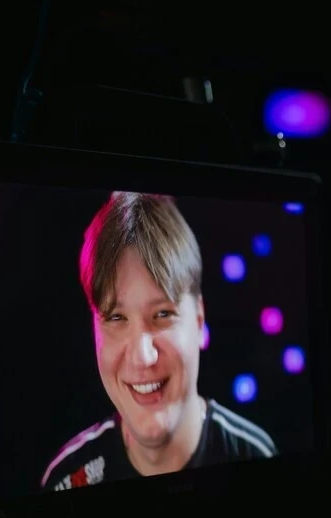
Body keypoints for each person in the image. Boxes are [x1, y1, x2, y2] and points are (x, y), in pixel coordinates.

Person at [42, 191, 276, 492]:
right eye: (116, 317)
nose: (143, 356)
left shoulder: (257, 457)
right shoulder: (65, 479)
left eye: (163, 314)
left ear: (199, 320)